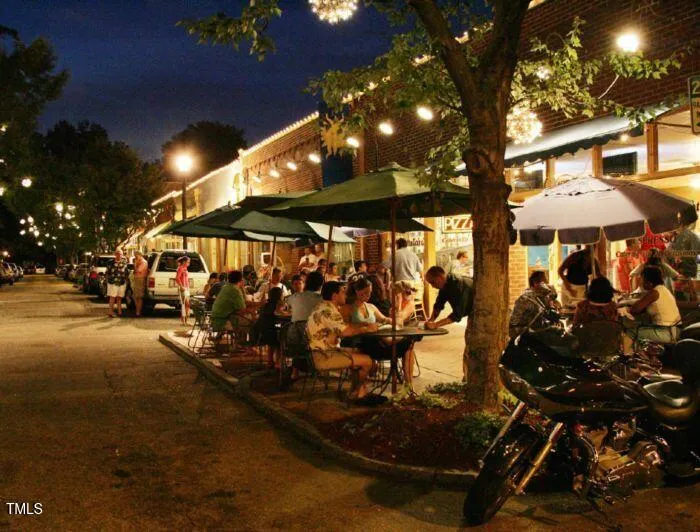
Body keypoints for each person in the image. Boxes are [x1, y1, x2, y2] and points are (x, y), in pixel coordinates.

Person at [306, 281, 380, 404]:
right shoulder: (328, 311)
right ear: (335, 296)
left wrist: (361, 325)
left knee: (358, 353)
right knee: (367, 361)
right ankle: (358, 393)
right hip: (323, 356)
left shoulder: (322, 306)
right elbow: (345, 332)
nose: (346, 295)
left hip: (320, 352)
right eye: (343, 292)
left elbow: (342, 327)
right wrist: (367, 329)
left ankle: (358, 392)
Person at [425, 266, 474, 379]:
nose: (432, 286)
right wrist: (431, 320)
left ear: (440, 277)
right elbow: (438, 305)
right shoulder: (445, 285)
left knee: (471, 347)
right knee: (469, 347)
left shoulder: (458, 285)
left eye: (432, 282)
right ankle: (467, 377)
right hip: (472, 314)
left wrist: (436, 325)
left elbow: (457, 315)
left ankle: (468, 378)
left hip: (480, 314)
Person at [624, 266, 682, 352]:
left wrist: (625, 308)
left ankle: (628, 357)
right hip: (673, 330)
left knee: (630, 332)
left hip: (667, 332)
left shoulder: (654, 293)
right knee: (640, 328)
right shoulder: (663, 289)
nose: (641, 282)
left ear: (649, 282)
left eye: (642, 279)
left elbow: (635, 309)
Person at [509, 271, 559, 337]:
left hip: (535, 331)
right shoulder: (527, 297)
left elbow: (553, 297)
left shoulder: (540, 296)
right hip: (523, 333)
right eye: (545, 282)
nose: (547, 284)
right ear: (536, 283)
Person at [210, 270, 260, 336]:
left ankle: (241, 340)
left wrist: (257, 304)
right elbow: (241, 310)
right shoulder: (234, 290)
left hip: (215, 320)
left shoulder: (226, 287)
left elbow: (243, 303)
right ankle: (246, 341)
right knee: (255, 322)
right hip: (223, 322)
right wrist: (254, 309)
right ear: (241, 279)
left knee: (250, 317)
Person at [252, 287, 289, 368]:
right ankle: (278, 363)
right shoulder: (278, 304)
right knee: (280, 339)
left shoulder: (266, 304)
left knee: (272, 339)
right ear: (280, 296)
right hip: (268, 333)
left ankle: (270, 361)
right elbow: (280, 313)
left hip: (259, 333)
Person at [106, 249, 129, 318]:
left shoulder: (124, 262)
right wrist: (108, 280)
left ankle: (119, 312)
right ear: (115, 254)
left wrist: (126, 280)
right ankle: (110, 312)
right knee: (112, 297)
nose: (119, 255)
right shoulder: (110, 262)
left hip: (121, 282)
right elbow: (107, 272)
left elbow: (126, 272)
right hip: (113, 283)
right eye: (118, 254)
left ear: (122, 255)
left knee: (119, 298)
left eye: (120, 254)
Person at [132, 250, 149, 317]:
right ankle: (138, 310)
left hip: (140, 279)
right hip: (137, 278)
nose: (135, 257)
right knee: (135, 296)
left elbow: (138, 270)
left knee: (139, 296)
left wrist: (135, 264)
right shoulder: (139, 261)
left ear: (139, 255)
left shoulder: (143, 262)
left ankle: (138, 311)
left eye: (136, 255)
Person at [175, 256, 191, 325]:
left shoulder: (185, 268)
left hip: (186, 288)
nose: (189, 264)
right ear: (184, 262)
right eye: (188, 262)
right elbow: (177, 278)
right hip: (183, 288)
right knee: (185, 304)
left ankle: (186, 320)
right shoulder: (180, 268)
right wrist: (181, 286)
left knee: (187, 304)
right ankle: (184, 321)